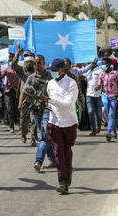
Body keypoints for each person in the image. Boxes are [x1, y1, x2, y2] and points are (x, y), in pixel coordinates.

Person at [41, 58, 78, 195]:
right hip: (54, 122)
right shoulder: (50, 83)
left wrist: (50, 100)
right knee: (58, 152)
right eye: (53, 71)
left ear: (63, 70)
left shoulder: (71, 83)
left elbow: (67, 103)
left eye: (56, 70)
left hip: (69, 122)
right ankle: (62, 181)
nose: (54, 73)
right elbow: (51, 104)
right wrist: (46, 104)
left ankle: (68, 173)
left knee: (67, 151)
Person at [22, 55, 56, 172]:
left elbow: (55, 92)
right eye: (35, 63)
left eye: (39, 62)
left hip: (47, 109)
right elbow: (25, 91)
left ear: (44, 63)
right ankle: (53, 160)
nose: (37, 65)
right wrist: (21, 104)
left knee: (43, 136)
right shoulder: (31, 77)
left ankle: (38, 160)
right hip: (36, 110)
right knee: (47, 137)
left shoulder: (50, 77)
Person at [12, 49, 37, 145]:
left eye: (31, 62)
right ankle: (23, 134)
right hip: (24, 99)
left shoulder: (37, 71)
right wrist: (17, 55)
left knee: (34, 119)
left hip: (35, 99)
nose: (29, 64)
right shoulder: (22, 71)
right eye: (27, 62)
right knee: (23, 119)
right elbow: (13, 66)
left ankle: (33, 138)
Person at [97, 57, 118, 141]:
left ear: (108, 64)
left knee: (111, 115)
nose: (102, 65)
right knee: (109, 115)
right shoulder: (102, 74)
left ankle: (108, 132)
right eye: (102, 64)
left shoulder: (115, 73)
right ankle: (114, 132)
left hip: (114, 97)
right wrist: (98, 87)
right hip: (105, 96)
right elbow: (99, 84)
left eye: (104, 64)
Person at [0, 60, 20, 133]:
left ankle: (20, 125)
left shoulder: (20, 69)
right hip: (8, 91)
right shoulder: (7, 69)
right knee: (9, 109)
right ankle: (11, 126)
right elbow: (0, 77)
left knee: (17, 109)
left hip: (17, 91)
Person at [83, 61, 103, 136]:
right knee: (90, 112)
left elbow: (103, 80)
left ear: (96, 63)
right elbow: (82, 75)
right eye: (90, 63)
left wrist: (100, 86)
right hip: (89, 94)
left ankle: (99, 125)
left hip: (98, 95)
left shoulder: (100, 70)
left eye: (93, 63)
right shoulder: (87, 70)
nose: (91, 64)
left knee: (99, 113)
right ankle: (93, 129)